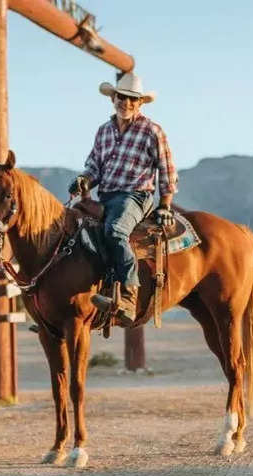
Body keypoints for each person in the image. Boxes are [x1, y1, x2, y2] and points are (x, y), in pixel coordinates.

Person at [69, 72, 178, 326]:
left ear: (140, 103)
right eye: (122, 97)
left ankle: (128, 296)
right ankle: (71, 301)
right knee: (71, 227)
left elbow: (167, 169)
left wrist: (165, 204)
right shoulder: (103, 131)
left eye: (132, 99)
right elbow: (94, 166)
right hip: (105, 195)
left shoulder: (152, 131)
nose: (126, 103)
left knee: (116, 231)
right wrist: (84, 180)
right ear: (113, 98)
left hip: (135, 195)